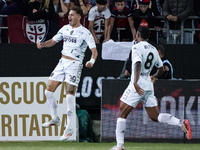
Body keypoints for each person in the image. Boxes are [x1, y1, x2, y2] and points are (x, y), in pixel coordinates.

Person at [109, 26, 192, 150]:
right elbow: (161, 69)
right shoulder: (154, 49)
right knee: (155, 116)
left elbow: (137, 64)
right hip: (148, 82)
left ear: (137, 35)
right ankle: (181, 122)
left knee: (122, 113)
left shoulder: (136, 47)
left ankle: (120, 146)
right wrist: (154, 76)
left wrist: (136, 83)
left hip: (138, 82)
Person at [37, 6, 98, 141]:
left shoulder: (85, 32)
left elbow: (94, 50)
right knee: (48, 92)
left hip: (75, 64)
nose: (69, 17)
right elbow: (53, 41)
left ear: (78, 17)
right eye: (68, 15)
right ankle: (55, 118)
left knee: (69, 95)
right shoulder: (64, 29)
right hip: (62, 62)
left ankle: (69, 126)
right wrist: (42, 44)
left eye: (72, 15)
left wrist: (92, 61)